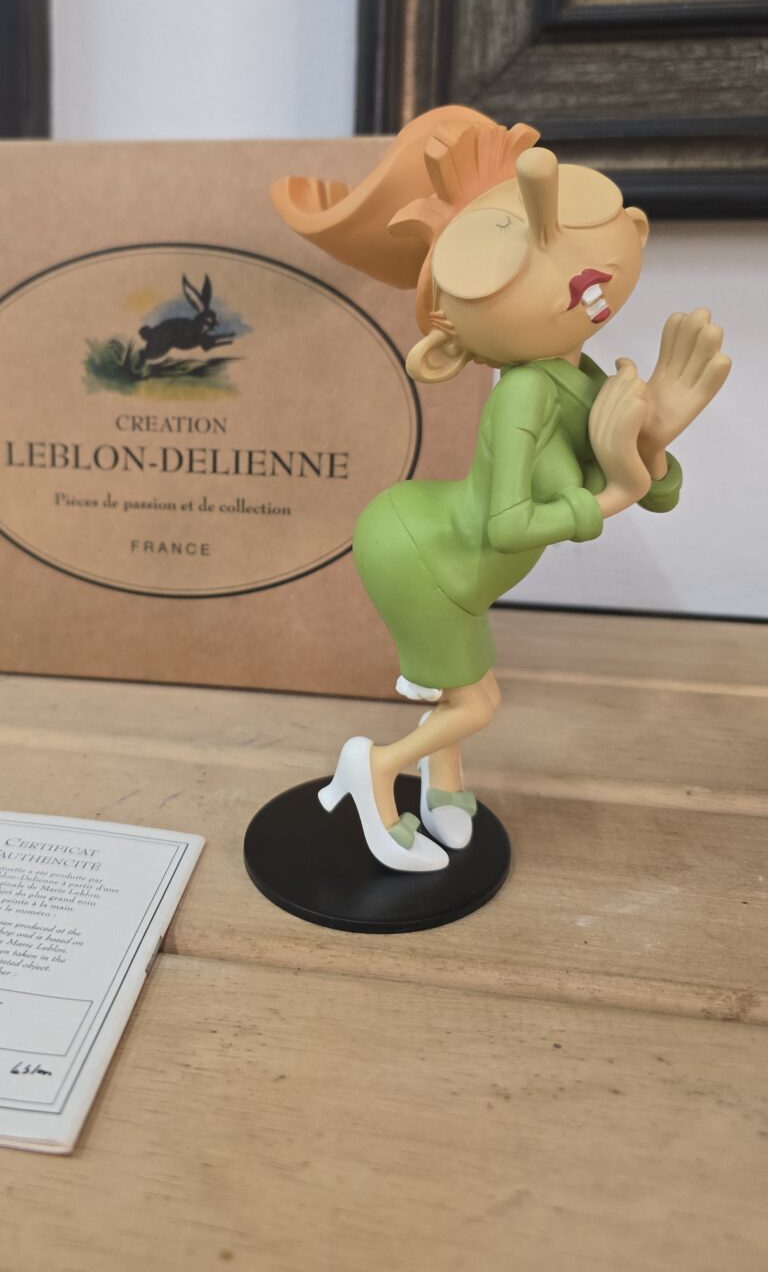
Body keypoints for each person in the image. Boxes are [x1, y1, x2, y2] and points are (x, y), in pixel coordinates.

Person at [270, 107, 731, 872]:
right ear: (446, 350)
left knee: (463, 690)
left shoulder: (575, 373)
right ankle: (376, 768)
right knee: (479, 701)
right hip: (425, 556)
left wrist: (657, 434)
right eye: (502, 250)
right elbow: (509, 525)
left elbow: (656, 490)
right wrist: (619, 484)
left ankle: (444, 786)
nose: (570, 262)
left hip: (449, 551)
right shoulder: (523, 394)